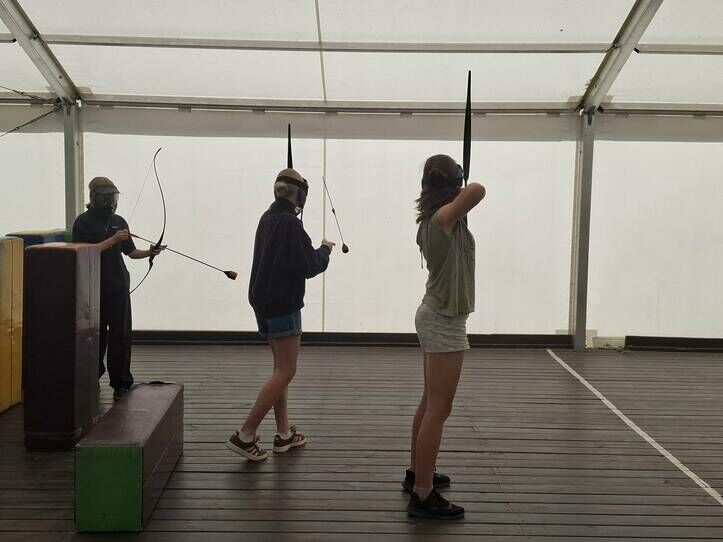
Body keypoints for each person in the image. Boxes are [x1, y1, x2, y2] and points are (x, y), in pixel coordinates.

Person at [226, 168, 335, 461]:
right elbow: (309, 265)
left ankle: (284, 433)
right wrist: (325, 250)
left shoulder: (267, 218)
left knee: (280, 371)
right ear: (300, 196)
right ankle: (245, 435)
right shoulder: (290, 224)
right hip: (283, 304)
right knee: (286, 371)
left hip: (263, 303)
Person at [406, 154, 486, 519]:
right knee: (439, 409)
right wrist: (462, 184)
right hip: (443, 321)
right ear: (451, 186)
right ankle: (423, 495)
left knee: (430, 402)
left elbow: (466, 197)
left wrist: (454, 185)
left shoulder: (436, 219)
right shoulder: (443, 219)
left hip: (435, 314)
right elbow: (478, 190)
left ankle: (417, 473)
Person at [72, 177, 164, 400]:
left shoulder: (119, 221)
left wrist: (150, 252)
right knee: (94, 335)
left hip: (118, 285)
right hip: (93, 286)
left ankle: (121, 382)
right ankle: (91, 377)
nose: (110, 202)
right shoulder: (82, 222)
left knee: (121, 334)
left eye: (113, 197)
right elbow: (85, 252)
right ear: (94, 197)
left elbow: (131, 252)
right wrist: (112, 240)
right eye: (105, 198)